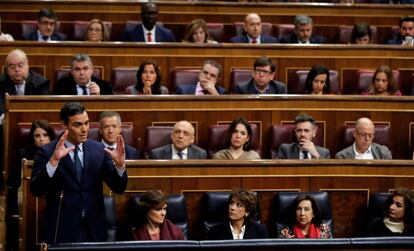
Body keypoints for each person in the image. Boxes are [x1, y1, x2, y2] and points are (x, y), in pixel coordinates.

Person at [30, 102, 127, 243]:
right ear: (64, 125)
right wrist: (53, 162)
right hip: (62, 230)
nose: (84, 129)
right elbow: (36, 189)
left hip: (94, 229)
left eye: (87, 123)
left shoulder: (99, 150)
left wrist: (119, 166)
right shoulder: (47, 152)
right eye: (78, 125)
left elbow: (119, 187)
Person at [7, 120, 56, 236]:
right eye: (37, 136)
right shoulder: (23, 154)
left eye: (45, 135)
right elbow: (12, 181)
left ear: (51, 137)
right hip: (28, 195)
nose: (42, 139)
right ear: (33, 139)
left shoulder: (58, 153)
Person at [0, 49, 50, 115]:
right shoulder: (1, 83)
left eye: (20, 66)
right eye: (12, 67)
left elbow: (43, 110)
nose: (17, 70)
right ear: (7, 68)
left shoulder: (41, 83)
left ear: (27, 66)